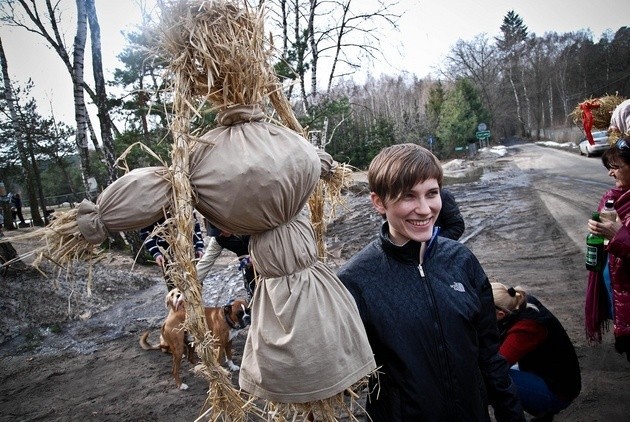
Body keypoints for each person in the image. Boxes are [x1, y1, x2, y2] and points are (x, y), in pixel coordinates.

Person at [337, 143, 523, 421]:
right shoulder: (356, 279)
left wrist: (512, 415)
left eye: (432, 194)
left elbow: (489, 356)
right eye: (408, 196)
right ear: (379, 202)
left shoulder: (462, 261)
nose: (424, 210)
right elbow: (339, 376)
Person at [491, 282, 581, 421]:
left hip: (557, 392)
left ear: (501, 313)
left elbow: (497, 364)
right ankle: (543, 414)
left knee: (492, 380)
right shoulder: (520, 304)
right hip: (551, 377)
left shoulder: (526, 327)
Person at [586, 136, 630, 361]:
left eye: (616, 167)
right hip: (619, 296)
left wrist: (617, 234)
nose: (610, 173)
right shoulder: (613, 198)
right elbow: (604, 242)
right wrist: (596, 230)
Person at [139, 214, 205, 292]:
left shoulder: (184, 203)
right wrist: (156, 253)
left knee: (195, 285)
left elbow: (194, 223)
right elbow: (145, 234)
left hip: (190, 252)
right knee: (174, 289)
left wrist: (199, 247)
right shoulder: (151, 208)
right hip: (167, 255)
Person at [196, 224, 254, 296]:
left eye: (221, 231)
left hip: (266, 264)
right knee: (254, 292)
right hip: (249, 268)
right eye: (217, 233)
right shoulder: (218, 239)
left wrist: (255, 258)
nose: (220, 234)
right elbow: (206, 261)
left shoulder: (248, 225)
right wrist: (190, 288)